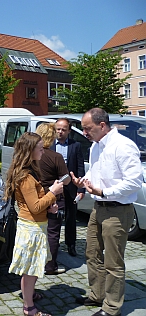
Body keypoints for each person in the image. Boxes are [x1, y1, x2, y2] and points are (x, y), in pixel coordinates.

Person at [72, 108, 143, 316]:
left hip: (118, 211)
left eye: (87, 128)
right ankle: (97, 295)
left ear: (102, 125)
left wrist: (104, 191)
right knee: (92, 253)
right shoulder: (96, 146)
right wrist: (83, 181)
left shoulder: (123, 146)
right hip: (99, 208)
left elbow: (134, 182)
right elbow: (95, 171)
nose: (84, 132)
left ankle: (112, 308)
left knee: (113, 261)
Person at [5, 132, 64, 316]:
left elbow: (36, 205)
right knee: (30, 271)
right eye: (40, 149)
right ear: (30, 151)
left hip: (35, 225)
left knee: (32, 268)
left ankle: (29, 296)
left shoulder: (29, 171)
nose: (43, 152)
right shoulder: (25, 177)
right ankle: (29, 308)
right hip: (31, 229)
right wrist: (53, 192)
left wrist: (50, 208)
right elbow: (35, 205)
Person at [35, 123, 71, 275]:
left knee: (37, 232)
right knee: (52, 233)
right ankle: (50, 266)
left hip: (36, 197)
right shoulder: (55, 156)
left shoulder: (31, 156)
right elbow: (66, 178)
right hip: (54, 199)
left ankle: (36, 263)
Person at [52, 118, 85, 257]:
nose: (60, 132)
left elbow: (80, 167)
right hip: (54, 186)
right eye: (58, 129)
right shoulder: (49, 145)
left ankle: (71, 244)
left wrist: (81, 188)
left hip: (71, 187)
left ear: (69, 131)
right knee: (54, 216)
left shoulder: (75, 145)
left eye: (63, 129)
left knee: (71, 218)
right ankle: (54, 243)